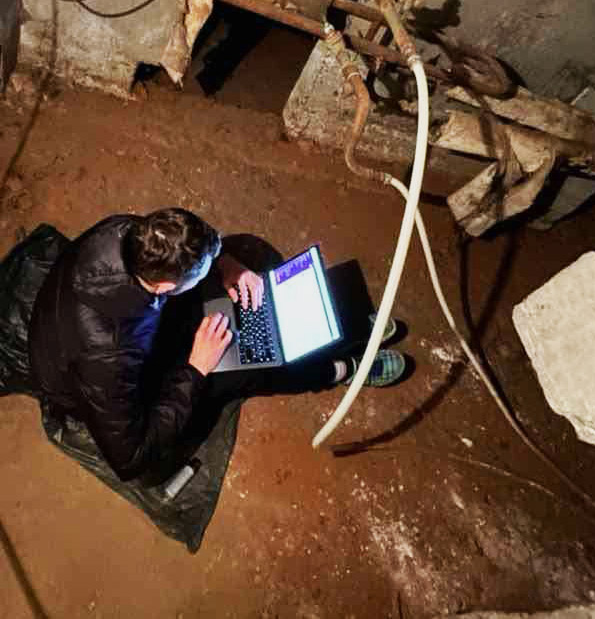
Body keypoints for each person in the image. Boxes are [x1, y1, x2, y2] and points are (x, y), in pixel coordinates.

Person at [28, 207, 406, 482]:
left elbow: (198, 256)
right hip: (94, 379)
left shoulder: (130, 232)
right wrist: (196, 368)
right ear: (165, 287)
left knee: (246, 260)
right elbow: (130, 458)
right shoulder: (108, 355)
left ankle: (333, 329)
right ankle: (338, 369)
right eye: (200, 269)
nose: (213, 266)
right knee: (238, 364)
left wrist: (226, 262)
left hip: (125, 324)